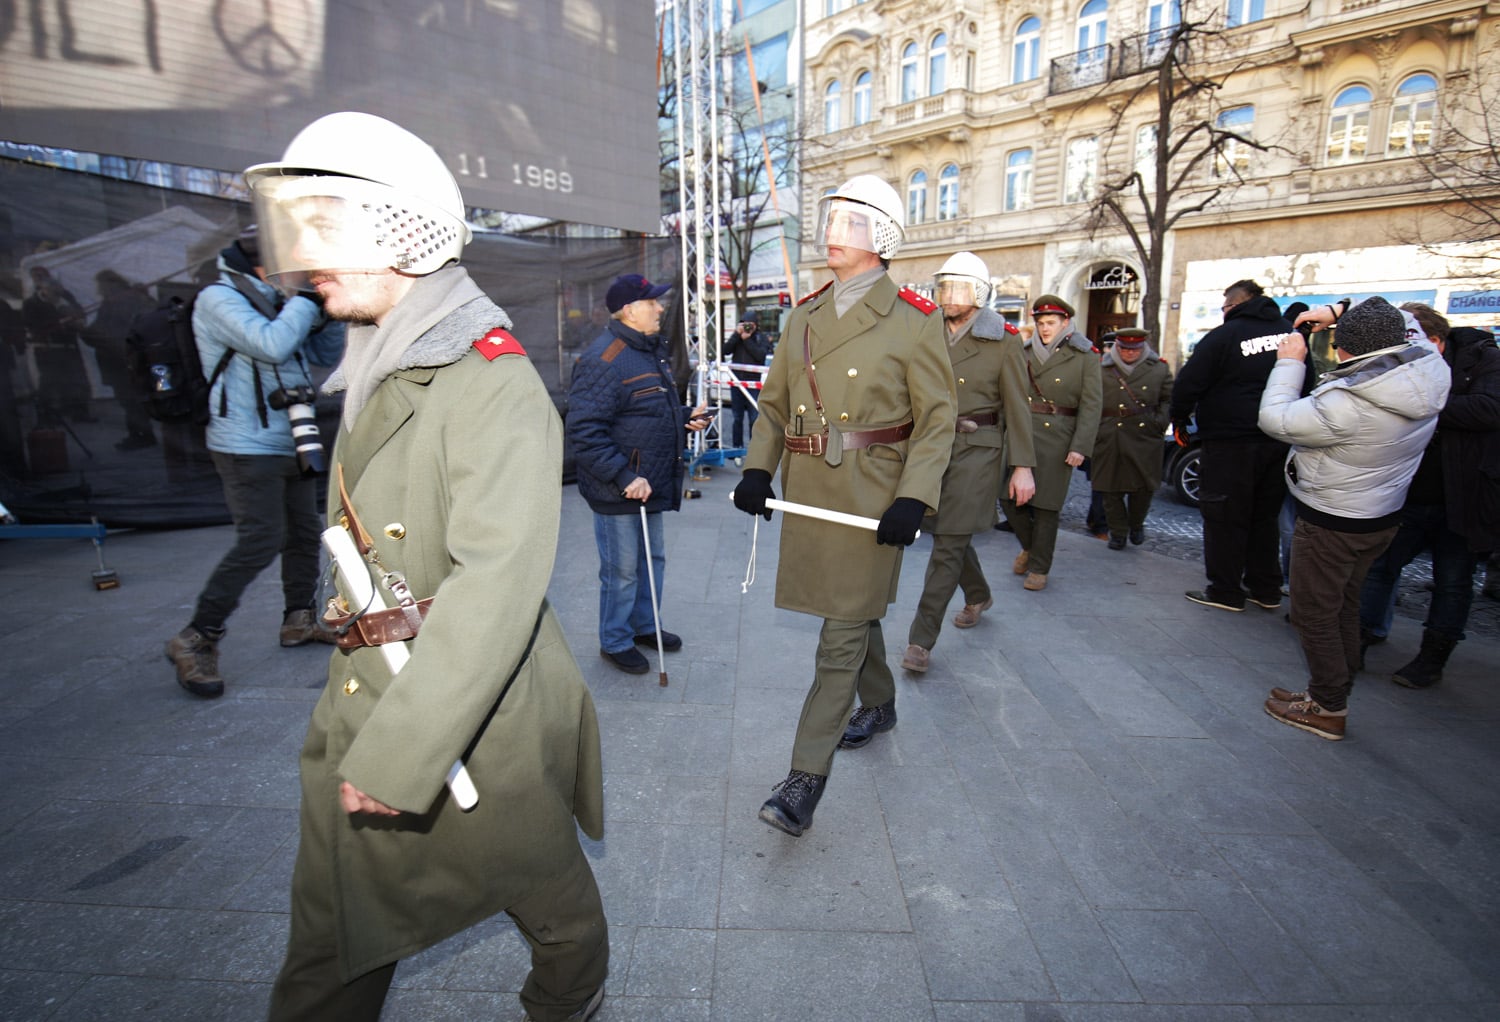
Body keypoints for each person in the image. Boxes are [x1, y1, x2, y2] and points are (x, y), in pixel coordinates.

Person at [250, 112, 609, 1022]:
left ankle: (569, 1004)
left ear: (401, 233)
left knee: (549, 899)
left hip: (464, 709)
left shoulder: (488, 378)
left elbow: (497, 582)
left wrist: (406, 749)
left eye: (326, 231)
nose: (303, 262)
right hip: (374, 688)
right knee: (333, 940)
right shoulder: (387, 356)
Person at [732, 173, 955, 837]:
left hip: (872, 493)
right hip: (812, 493)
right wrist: (755, 470)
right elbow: (773, 408)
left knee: (839, 639)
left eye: (849, 222)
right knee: (852, 612)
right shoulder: (803, 315)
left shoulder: (915, 320)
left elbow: (938, 420)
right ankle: (880, 705)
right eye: (830, 219)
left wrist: (915, 497)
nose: (831, 232)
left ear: (880, 236)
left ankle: (804, 779)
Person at [163, 226, 346, 699]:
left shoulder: (281, 299)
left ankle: (299, 619)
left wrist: (327, 315)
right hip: (245, 443)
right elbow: (271, 345)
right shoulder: (218, 299)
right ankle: (197, 636)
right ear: (263, 264)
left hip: (293, 436)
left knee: (305, 532)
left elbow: (322, 355)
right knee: (261, 538)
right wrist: (305, 300)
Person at [1259, 297, 1450, 740]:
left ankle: (1327, 707)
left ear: (1344, 351)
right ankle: (1331, 688)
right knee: (1342, 604)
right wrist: (1341, 310)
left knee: (1314, 614)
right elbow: (1402, 318)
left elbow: (1274, 418)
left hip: (1332, 521)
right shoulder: (1427, 365)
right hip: (1379, 514)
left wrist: (1290, 363)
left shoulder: (1349, 403)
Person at [566, 274, 710, 675]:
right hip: (620, 488)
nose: (660, 308)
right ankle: (615, 640)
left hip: (649, 483)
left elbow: (641, 411)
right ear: (630, 311)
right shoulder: (603, 359)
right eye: (652, 302)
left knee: (652, 559)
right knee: (622, 570)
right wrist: (625, 476)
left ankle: (644, 627)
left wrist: (683, 418)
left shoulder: (647, 351)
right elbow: (584, 431)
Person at [902, 251, 1035, 673]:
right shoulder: (925, 332)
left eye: (957, 287)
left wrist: (1023, 466)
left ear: (979, 292)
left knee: (947, 544)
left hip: (979, 450)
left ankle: (920, 642)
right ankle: (977, 593)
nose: (947, 295)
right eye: (943, 286)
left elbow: (1018, 407)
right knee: (948, 532)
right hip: (931, 447)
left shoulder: (1004, 340)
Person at [1356, 315, 1500, 688]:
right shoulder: (1404, 362)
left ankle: (1431, 659)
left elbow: (1487, 410)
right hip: (1408, 491)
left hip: (1463, 495)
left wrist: (1424, 402)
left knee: (1453, 580)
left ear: (1436, 339)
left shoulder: (1483, 360)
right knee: (1378, 566)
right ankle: (1356, 640)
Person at [1171, 279, 1300, 612]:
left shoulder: (1224, 335)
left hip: (1229, 441)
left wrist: (1180, 418)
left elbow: (1189, 382)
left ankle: (1226, 591)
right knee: (1264, 517)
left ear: (1232, 305)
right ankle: (1266, 588)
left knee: (1225, 517)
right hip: (1277, 440)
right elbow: (1307, 380)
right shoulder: (1289, 332)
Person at [998, 294, 1101, 591]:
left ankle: (1040, 567)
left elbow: (1092, 405)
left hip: (1059, 435)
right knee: (1006, 496)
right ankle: (1030, 547)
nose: (1044, 329)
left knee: (1046, 506)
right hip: (1021, 431)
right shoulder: (1024, 351)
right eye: (1040, 323)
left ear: (1065, 322)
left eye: (1051, 323)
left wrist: (1081, 446)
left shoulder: (1085, 355)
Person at [1091, 328, 1173, 550]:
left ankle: (1136, 523)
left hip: (1144, 434)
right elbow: (1089, 400)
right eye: (1124, 348)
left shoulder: (1159, 368)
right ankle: (1117, 532)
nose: (1129, 353)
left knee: (1142, 487)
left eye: (1134, 349)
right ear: (1117, 346)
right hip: (1109, 433)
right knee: (1109, 488)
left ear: (1142, 347)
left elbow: (1168, 400)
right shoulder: (1100, 368)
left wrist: (1159, 423)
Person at [81, 269, 157, 451]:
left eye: (101, 285)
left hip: (123, 360)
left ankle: (141, 435)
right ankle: (140, 434)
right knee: (129, 399)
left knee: (130, 400)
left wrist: (84, 331)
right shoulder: (117, 302)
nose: (99, 289)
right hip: (123, 360)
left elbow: (107, 332)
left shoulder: (120, 302)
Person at [722, 315, 772, 448]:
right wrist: (736, 335)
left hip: (753, 384)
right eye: (745, 324)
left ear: (756, 325)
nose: (748, 327)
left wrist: (748, 340)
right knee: (737, 418)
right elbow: (725, 351)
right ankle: (736, 447)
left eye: (750, 324)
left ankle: (754, 448)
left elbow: (760, 356)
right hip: (736, 383)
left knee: (754, 418)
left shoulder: (760, 338)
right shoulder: (737, 337)